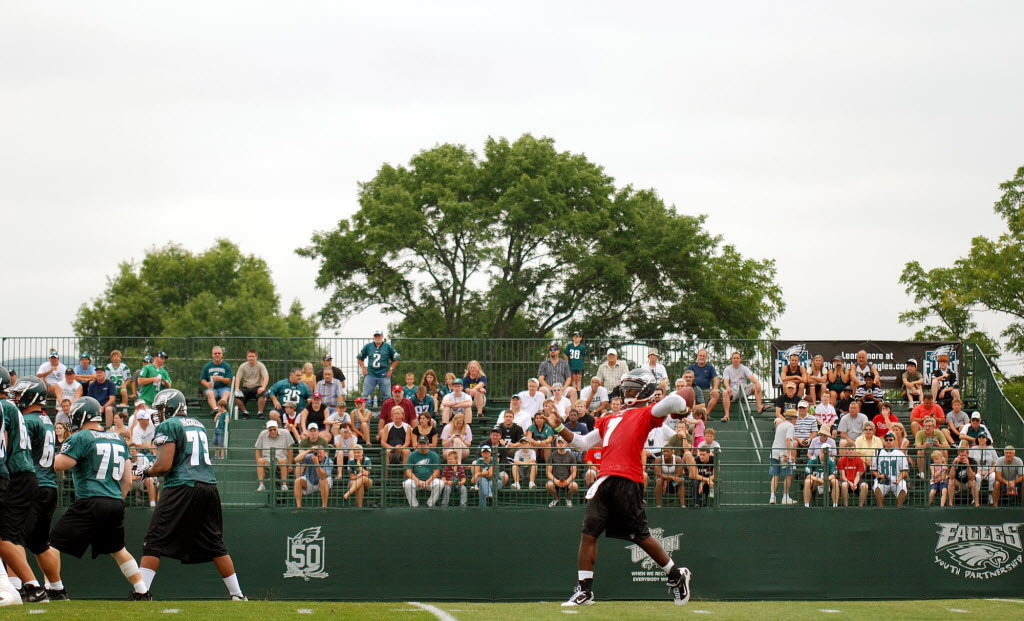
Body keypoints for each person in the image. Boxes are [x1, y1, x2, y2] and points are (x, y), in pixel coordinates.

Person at [546, 368, 692, 606]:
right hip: (604, 478)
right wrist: (558, 427)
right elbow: (583, 443)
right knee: (588, 533)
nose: (627, 393)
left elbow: (676, 399)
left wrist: (683, 410)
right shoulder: (610, 418)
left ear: (645, 391)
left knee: (640, 536)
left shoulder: (646, 413)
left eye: (633, 389)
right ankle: (585, 590)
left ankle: (676, 576)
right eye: (626, 388)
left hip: (628, 479)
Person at [134, 389, 247, 600]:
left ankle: (141, 593)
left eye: (161, 408)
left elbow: (164, 465)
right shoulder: (198, 424)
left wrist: (144, 471)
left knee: (154, 539)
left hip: (182, 485)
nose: (158, 413)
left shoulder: (170, 425)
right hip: (208, 486)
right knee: (214, 543)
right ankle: (238, 595)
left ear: (171, 407)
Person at [49, 396, 151, 601]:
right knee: (118, 549)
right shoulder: (118, 438)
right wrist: (117, 499)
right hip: (114, 502)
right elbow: (128, 480)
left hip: (90, 500)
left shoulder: (81, 437)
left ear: (82, 415)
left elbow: (60, 464)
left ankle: (55, 589)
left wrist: (40, 459)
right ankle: (142, 591)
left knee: (50, 545)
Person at [9, 376, 66, 600]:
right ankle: (57, 588)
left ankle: (18, 588)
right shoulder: (46, 420)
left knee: (13, 539)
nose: (17, 397)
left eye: (20, 393)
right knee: (40, 544)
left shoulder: (28, 421)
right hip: (49, 486)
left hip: (32, 485)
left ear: (31, 395)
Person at [0, 368, 48, 603]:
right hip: (24, 475)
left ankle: (31, 587)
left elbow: (3, 443)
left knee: (6, 539)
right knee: (11, 538)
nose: (16, 397)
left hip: (17, 475)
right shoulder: (16, 411)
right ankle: (22, 586)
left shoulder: (5, 408)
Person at [357, 330, 400, 402]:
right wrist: (363, 368)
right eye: (375, 336)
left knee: (387, 397)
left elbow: (397, 358)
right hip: (371, 374)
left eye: (379, 335)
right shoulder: (368, 346)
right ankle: (364, 412)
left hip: (384, 375)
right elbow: (359, 358)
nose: (377, 337)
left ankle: (387, 412)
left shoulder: (388, 347)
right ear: (373, 337)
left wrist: (391, 369)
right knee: (365, 396)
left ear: (382, 336)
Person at [720, 351, 765, 421]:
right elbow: (725, 380)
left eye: (737, 358)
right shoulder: (727, 369)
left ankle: (759, 407)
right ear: (731, 359)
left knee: (756, 386)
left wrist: (757, 383)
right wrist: (728, 387)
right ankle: (726, 415)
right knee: (725, 392)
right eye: (734, 358)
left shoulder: (744, 368)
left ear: (740, 359)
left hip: (744, 389)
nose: (736, 360)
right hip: (733, 390)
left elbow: (751, 377)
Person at [402, 436, 443, 507]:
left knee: (440, 484)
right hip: (416, 481)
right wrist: (417, 481)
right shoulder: (412, 455)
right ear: (417, 445)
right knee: (407, 484)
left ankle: (430, 504)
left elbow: (437, 472)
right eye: (420, 443)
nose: (422, 445)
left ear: (428, 445)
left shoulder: (434, 455)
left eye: (424, 443)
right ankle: (414, 505)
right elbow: (408, 471)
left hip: (430, 481)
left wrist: (428, 481)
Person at [254, 420, 293, 492]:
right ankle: (261, 484)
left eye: (274, 429)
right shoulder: (262, 434)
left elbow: (290, 450)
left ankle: (284, 485)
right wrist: (258, 462)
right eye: (270, 430)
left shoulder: (285, 433)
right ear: (267, 430)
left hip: (281, 458)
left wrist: (290, 465)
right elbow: (257, 449)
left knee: (283, 461)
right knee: (260, 461)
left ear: (277, 428)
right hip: (267, 458)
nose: (273, 431)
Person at [872, 433, 909, 507]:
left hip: (896, 479)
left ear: (894, 441)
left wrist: (898, 479)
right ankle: (881, 509)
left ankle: (899, 508)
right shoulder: (877, 453)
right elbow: (873, 469)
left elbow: (904, 471)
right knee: (877, 488)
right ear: (884, 442)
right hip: (883, 480)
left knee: (903, 488)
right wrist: (879, 476)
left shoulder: (900, 454)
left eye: (890, 440)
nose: (888, 441)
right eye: (886, 440)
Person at [769, 410, 798, 505]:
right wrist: (789, 455)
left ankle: (772, 497)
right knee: (788, 475)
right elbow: (788, 440)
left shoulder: (780, 425)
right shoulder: (790, 426)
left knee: (775, 475)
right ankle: (785, 497)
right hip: (783, 455)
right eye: (796, 418)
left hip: (774, 452)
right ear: (793, 418)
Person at [236, 349, 269, 418]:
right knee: (236, 396)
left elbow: (266, 376)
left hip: (257, 387)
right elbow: (238, 378)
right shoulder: (242, 366)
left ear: (256, 357)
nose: (251, 358)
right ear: (247, 357)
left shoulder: (260, 365)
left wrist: (263, 387)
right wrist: (237, 388)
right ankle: (245, 412)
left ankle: (260, 413)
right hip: (246, 387)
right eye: (249, 356)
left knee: (264, 393)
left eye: (253, 356)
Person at [200, 346, 233, 418]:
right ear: (212, 355)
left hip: (224, 388)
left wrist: (220, 379)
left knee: (226, 394)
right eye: (215, 353)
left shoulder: (226, 366)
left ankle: (222, 409)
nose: (217, 355)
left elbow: (230, 380)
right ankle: (215, 409)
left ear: (222, 355)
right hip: (212, 388)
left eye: (219, 353)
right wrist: (207, 384)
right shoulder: (207, 366)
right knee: (209, 393)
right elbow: (202, 379)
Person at [545, 437, 578, 508]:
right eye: (559, 442)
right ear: (556, 444)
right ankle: (556, 498)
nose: (560, 444)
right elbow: (548, 472)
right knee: (549, 485)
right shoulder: (552, 455)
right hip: (555, 480)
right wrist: (555, 480)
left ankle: (568, 499)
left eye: (562, 442)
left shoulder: (571, 456)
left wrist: (568, 481)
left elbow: (574, 473)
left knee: (574, 486)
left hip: (567, 480)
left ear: (566, 444)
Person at [836, 440, 868, 507]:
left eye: (852, 449)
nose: (851, 451)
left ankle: (860, 506)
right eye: (849, 449)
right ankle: (846, 505)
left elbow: (858, 475)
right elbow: (843, 476)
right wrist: (850, 483)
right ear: (846, 451)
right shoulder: (841, 460)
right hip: (846, 481)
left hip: (856, 481)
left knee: (865, 485)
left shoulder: (859, 460)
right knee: (844, 485)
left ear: (855, 450)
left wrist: (854, 484)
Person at [972, 434, 1000, 505]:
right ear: (977, 439)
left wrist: (991, 470)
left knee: (993, 477)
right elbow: (970, 461)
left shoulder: (991, 448)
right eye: (979, 437)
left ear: (986, 439)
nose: (981, 439)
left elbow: (996, 462)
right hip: (977, 470)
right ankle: (975, 498)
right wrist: (977, 470)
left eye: (983, 437)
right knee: (977, 477)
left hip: (989, 470)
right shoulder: (973, 448)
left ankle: (990, 498)